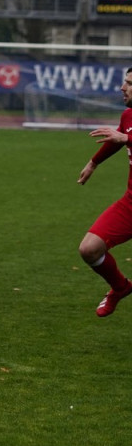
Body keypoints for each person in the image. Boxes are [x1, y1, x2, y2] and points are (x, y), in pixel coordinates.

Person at [77, 66, 132, 317]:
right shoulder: (128, 116)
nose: (123, 87)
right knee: (89, 249)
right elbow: (118, 140)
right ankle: (120, 287)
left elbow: (124, 139)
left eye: (130, 83)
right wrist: (93, 162)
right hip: (130, 204)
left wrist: (126, 139)